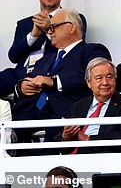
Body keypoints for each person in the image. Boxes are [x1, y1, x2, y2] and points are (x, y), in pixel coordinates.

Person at [11, 8, 111, 143]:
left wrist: (55, 81)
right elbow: (30, 79)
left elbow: (98, 78)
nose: (49, 31)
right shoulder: (45, 59)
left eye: (53, 27)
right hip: (26, 115)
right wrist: (22, 86)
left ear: (72, 27)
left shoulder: (91, 50)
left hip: (64, 116)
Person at [1, 0, 87, 97]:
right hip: (22, 73)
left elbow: (75, 48)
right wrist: (33, 35)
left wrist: (48, 29)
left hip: (50, 72)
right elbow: (13, 56)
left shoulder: (74, 19)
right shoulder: (24, 24)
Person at [56, 57, 121, 154]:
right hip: (72, 157)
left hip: (103, 156)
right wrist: (65, 137)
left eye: (109, 77)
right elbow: (59, 139)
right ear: (89, 83)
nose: (105, 83)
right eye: (99, 78)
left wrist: (89, 139)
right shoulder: (78, 106)